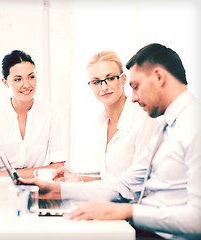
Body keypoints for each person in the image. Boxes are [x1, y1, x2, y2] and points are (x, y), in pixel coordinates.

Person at [20, 43, 201, 239]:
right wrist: (57, 190)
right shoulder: (168, 126)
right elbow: (126, 185)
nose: (133, 98)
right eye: (96, 82)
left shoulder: (193, 125)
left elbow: (198, 219)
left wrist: (127, 212)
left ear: (159, 77)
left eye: (136, 86)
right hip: (145, 230)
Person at [53, 51, 158, 182]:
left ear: (123, 79)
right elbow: (111, 179)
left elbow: (139, 182)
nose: (104, 87)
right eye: (96, 82)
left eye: (110, 78)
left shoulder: (143, 118)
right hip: (114, 198)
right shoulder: (104, 123)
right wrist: (80, 179)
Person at [0, 50, 67, 179]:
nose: (26, 85)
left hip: (35, 187)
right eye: (18, 79)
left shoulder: (51, 113)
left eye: (31, 77)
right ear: (5, 82)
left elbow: (58, 167)